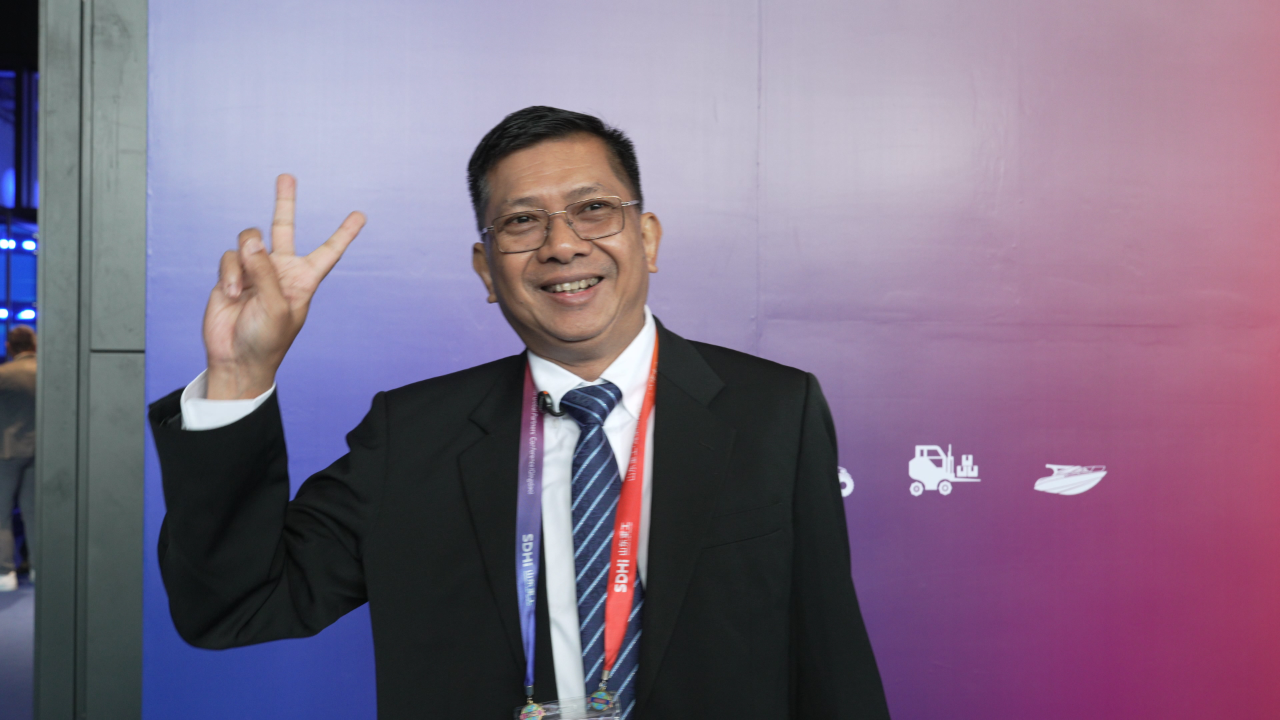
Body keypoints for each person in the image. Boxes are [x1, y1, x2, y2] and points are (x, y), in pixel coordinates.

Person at [150, 106, 890, 719]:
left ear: (647, 238)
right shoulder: (413, 436)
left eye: (594, 210)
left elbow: (831, 659)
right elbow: (236, 606)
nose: (562, 245)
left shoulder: (773, 411)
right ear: (486, 268)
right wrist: (240, 376)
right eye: (522, 222)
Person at [0, 325, 37, 592]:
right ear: (34, 345)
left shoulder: (4, 374)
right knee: (35, 514)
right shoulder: (48, 373)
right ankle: (38, 568)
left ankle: (5, 573)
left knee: (1, 515)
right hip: (40, 451)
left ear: (9, 347)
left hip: (7, 452)